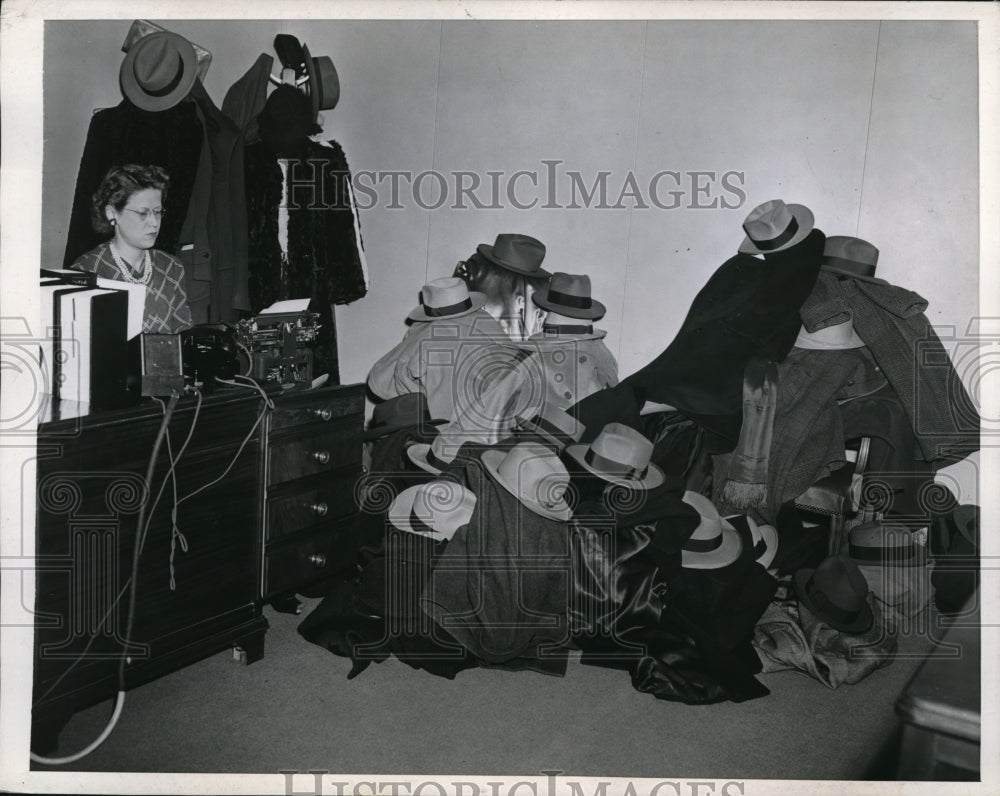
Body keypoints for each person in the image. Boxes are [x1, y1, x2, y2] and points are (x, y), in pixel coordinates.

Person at [70, 163, 193, 334]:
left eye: (157, 212)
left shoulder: (171, 267)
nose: (154, 222)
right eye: (143, 213)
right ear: (112, 213)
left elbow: (184, 334)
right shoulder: (87, 270)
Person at [367, 276, 509, 423]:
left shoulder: (423, 337)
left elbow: (384, 382)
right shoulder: (487, 321)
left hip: (443, 432)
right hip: (499, 426)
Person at [453, 233, 550, 340]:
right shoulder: (544, 288)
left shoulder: (476, 267)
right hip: (521, 353)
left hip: (471, 343)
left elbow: (452, 304)